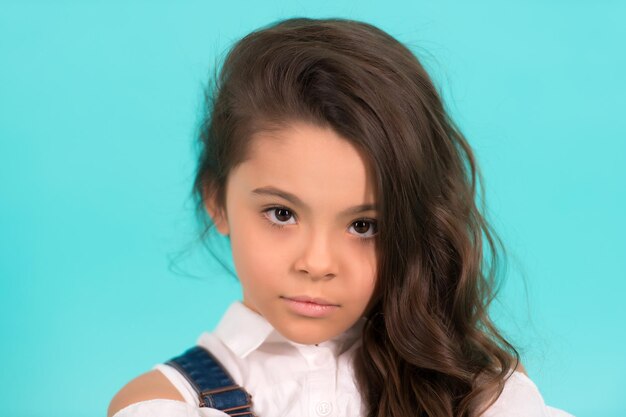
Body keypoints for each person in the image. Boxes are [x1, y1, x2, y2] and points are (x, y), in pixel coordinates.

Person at [107, 17, 574, 417]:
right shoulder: (165, 401)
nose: (318, 262)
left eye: (363, 225)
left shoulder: (476, 389)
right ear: (217, 201)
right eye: (282, 213)